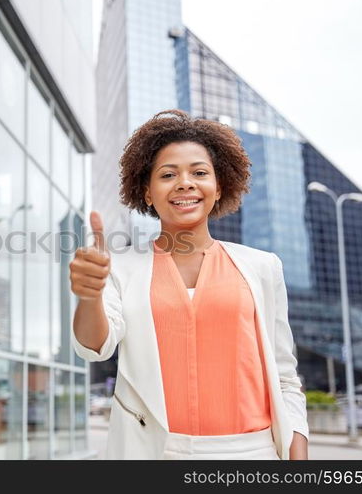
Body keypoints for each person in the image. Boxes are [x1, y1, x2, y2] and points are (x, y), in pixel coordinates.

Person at [70, 110, 309, 460]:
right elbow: (95, 346)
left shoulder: (262, 266)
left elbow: (285, 373)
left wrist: (297, 443)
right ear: (147, 193)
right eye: (168, 175)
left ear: (219, 186)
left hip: (252, 453)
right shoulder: (119, 266)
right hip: (156, 452)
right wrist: (89, 296)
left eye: (199, 173)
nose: (185, 183)